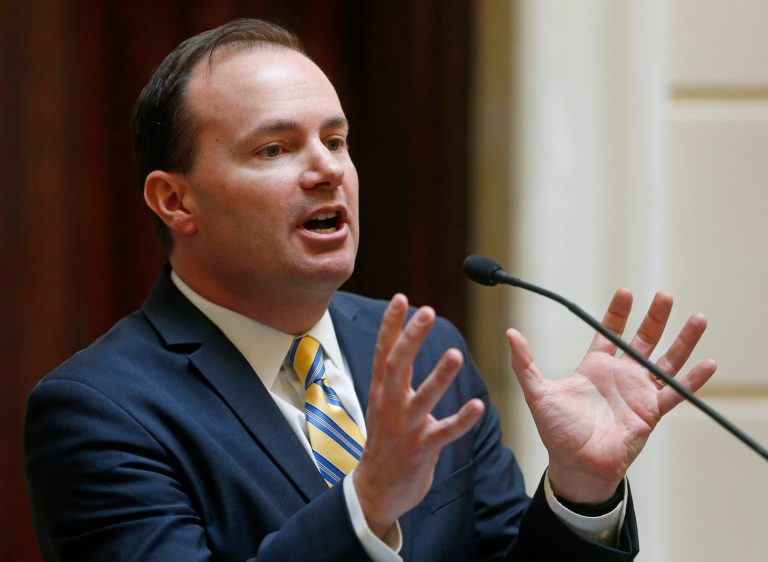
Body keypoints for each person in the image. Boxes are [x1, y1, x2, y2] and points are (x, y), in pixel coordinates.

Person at [24, 18, 716, 562]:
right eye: (275, 149)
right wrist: (365, 505)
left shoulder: (423, 354)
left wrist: (581, 491)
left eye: (336, 140)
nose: (327, 170)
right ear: (175, 201)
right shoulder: (100, 411)